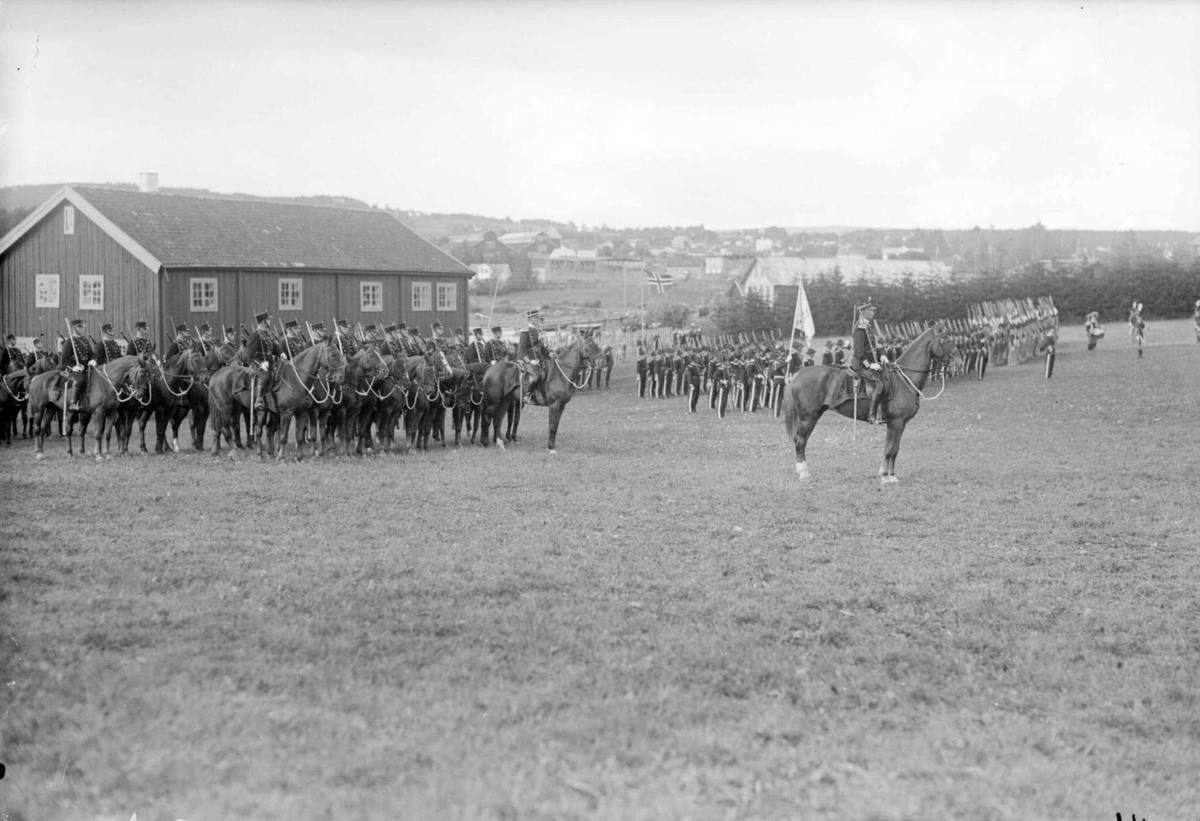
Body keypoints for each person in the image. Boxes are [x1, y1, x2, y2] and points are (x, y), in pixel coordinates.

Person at [850, 301, 884, 424]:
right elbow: (859, 352)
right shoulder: (859, 329)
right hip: (860, 364)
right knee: (879, 384)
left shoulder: (868, 327)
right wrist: (870, 365)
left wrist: (883, 356)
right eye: (871, 310)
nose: (873, 312)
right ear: (864, 312)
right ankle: (872, 415)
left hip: (872, 361)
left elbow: (874, 346)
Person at [59, 318, 94, 411]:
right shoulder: (69, 341)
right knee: (80, 379)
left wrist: (93, 360)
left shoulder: (85, 341)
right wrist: (73, 367)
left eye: (83, 327)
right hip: (74, 370)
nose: (82, 329)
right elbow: (64, 360)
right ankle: (74, 403)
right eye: (80, 327)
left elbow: (92, 355)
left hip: (85, 368)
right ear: (74, 328)